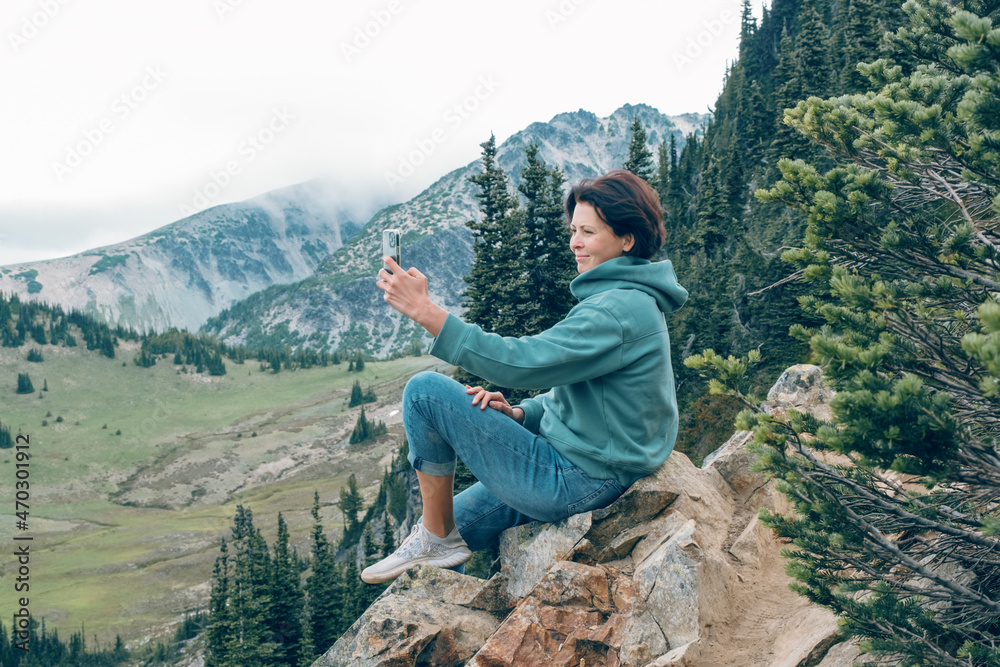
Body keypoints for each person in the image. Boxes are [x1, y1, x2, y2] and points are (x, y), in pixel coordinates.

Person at [363, 169, 688, 584]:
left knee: (425, 392)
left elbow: (524, 361)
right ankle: (441, 591)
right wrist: (522, 414)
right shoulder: (624, 299)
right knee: (451, 524)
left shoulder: (618, 309)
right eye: (574, 230)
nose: (575, 242)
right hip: (587, 466)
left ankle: (435, 541)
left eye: (588, 232)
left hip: (579, 479)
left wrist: (428, 313)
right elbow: (591, 395)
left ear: (627, 240)